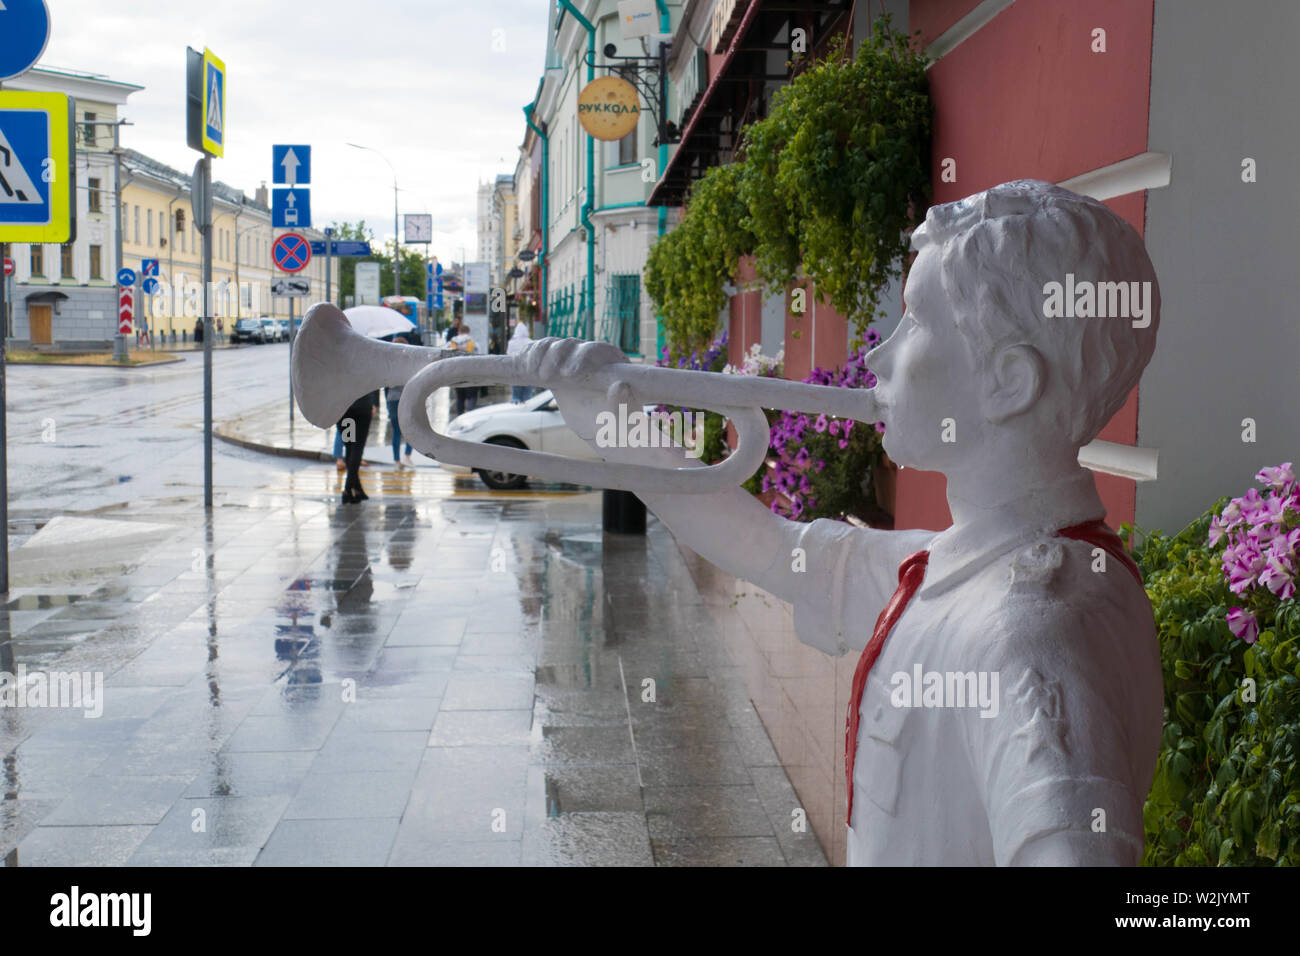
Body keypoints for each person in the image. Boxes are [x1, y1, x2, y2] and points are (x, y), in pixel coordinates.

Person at [522, 180, 1164, 866]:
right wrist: (615, 428)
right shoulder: (961, 572)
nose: (877, 355)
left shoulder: (1031, 631)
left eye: (915, 322)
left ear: (1008, 381)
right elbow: (771, 549)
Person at [337, 389, 379, 504]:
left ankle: (355, 489)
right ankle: (348, 489)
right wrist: (374, 403)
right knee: (357, 448)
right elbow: (374, 381)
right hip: (362, 408)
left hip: (343, 409)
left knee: (350, 447)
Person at [387, 334, 414, 466]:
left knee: (396, 431)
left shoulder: (389, 364)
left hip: (392, 399)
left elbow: (386, 383)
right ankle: (407, 456)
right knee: (411, 428)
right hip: (407, 398)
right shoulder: (410, 363)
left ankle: (397, 460)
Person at [447, 321, 479, 416]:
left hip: (457, 373)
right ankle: (470, 415)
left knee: (460, 397)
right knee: (472, 396)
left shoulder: (452, 342)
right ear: (468, 332)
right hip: (471, 373)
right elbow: (479, 358)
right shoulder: (473, 342)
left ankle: (460, 417)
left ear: (459, 332)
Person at [507, 321, 533, 403]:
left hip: (515, 373)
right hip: (527, 373)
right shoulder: (530, 342)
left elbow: (508, 356)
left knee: (516, 396)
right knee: (527, 396)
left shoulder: (511, 343)